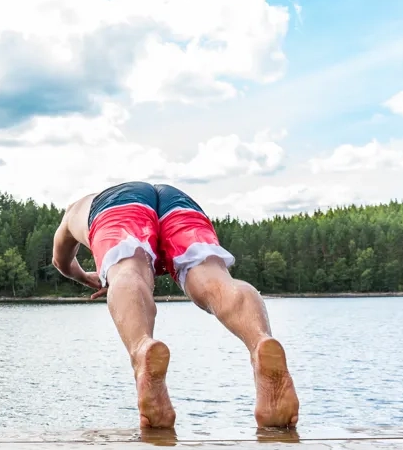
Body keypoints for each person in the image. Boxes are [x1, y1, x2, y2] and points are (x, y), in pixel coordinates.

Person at [51, 181, 299, 428]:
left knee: (127, 269)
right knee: (212, 276)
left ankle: (142, 350)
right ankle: (260, 341)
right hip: (180, 204)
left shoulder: (76, 210)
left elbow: (61, 260)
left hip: (116, 208)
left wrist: (85, 277)